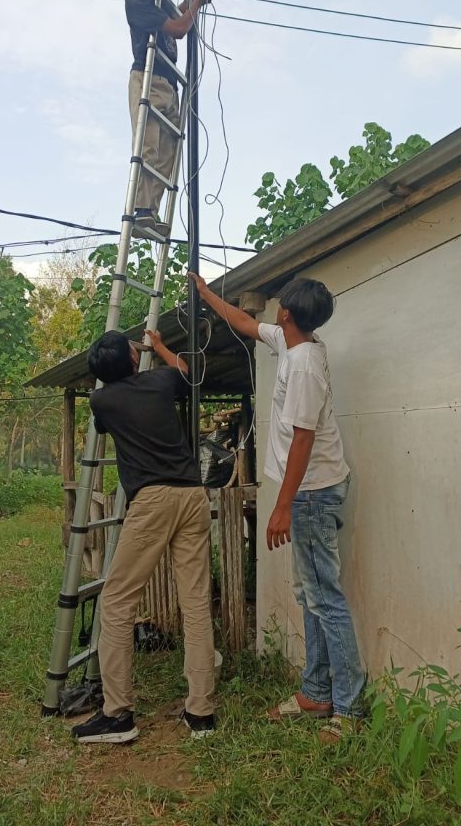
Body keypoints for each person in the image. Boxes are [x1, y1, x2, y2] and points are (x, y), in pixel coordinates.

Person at [189, 273, 366, 741]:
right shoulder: (292, 342)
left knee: (325, 597)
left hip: (311, 492)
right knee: (312, 594)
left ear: (286, 313)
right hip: (307, 490)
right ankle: (315, 691)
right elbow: (246, 325)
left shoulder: (305, 363)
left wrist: (283, 505)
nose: (272, 308)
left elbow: (304, 438)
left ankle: (347, 708)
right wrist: (206, 294)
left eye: (279, 303)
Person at [71, 328, 215, 744]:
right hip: (191, 495)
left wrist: (133, 358)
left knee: (116, 601)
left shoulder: (103, 400)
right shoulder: (159, 381)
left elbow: (106, 413)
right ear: (135, 360)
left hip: (152, 502)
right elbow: (183, 369)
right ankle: (200, 712)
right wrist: (160, 346)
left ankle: (118, 714)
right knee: (195, 603)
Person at [125, 0, 211, 240]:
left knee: (169, 150)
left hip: (168, 84)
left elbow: (177, 18)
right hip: (147, 79)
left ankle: (150, 211)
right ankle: (140, 211)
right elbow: (177, 29)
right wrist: (197, 5)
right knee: (148, 147)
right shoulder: (136, 1)